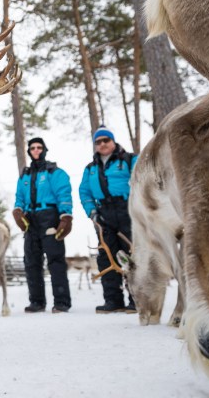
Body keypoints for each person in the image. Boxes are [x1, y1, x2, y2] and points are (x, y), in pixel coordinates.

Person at [79, 125, 138, 314]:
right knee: (107, 256)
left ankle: (137, 298)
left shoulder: (129, 160)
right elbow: (85, 192)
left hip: (127, 211)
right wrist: (92, 212)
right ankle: (113, 300)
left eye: (106, 140)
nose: (102, 144)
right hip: (104, 215)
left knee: (132, 255)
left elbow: (143, 182)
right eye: (98, 142)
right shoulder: (90, 169)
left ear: (113, 141)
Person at [12, 137, 74, 314]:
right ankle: (37, 302)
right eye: (33, 148)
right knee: (31, 261)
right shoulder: (25, 175)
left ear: (45, 150)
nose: (36, 150)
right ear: (29, 151)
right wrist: (17, 211)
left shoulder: (55, 172)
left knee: (55, 260)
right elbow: (19, 197)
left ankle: (62, 302)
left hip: (50, 217)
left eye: (39, 147)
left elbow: (64, 194)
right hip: (30, 219)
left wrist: (66, 217)